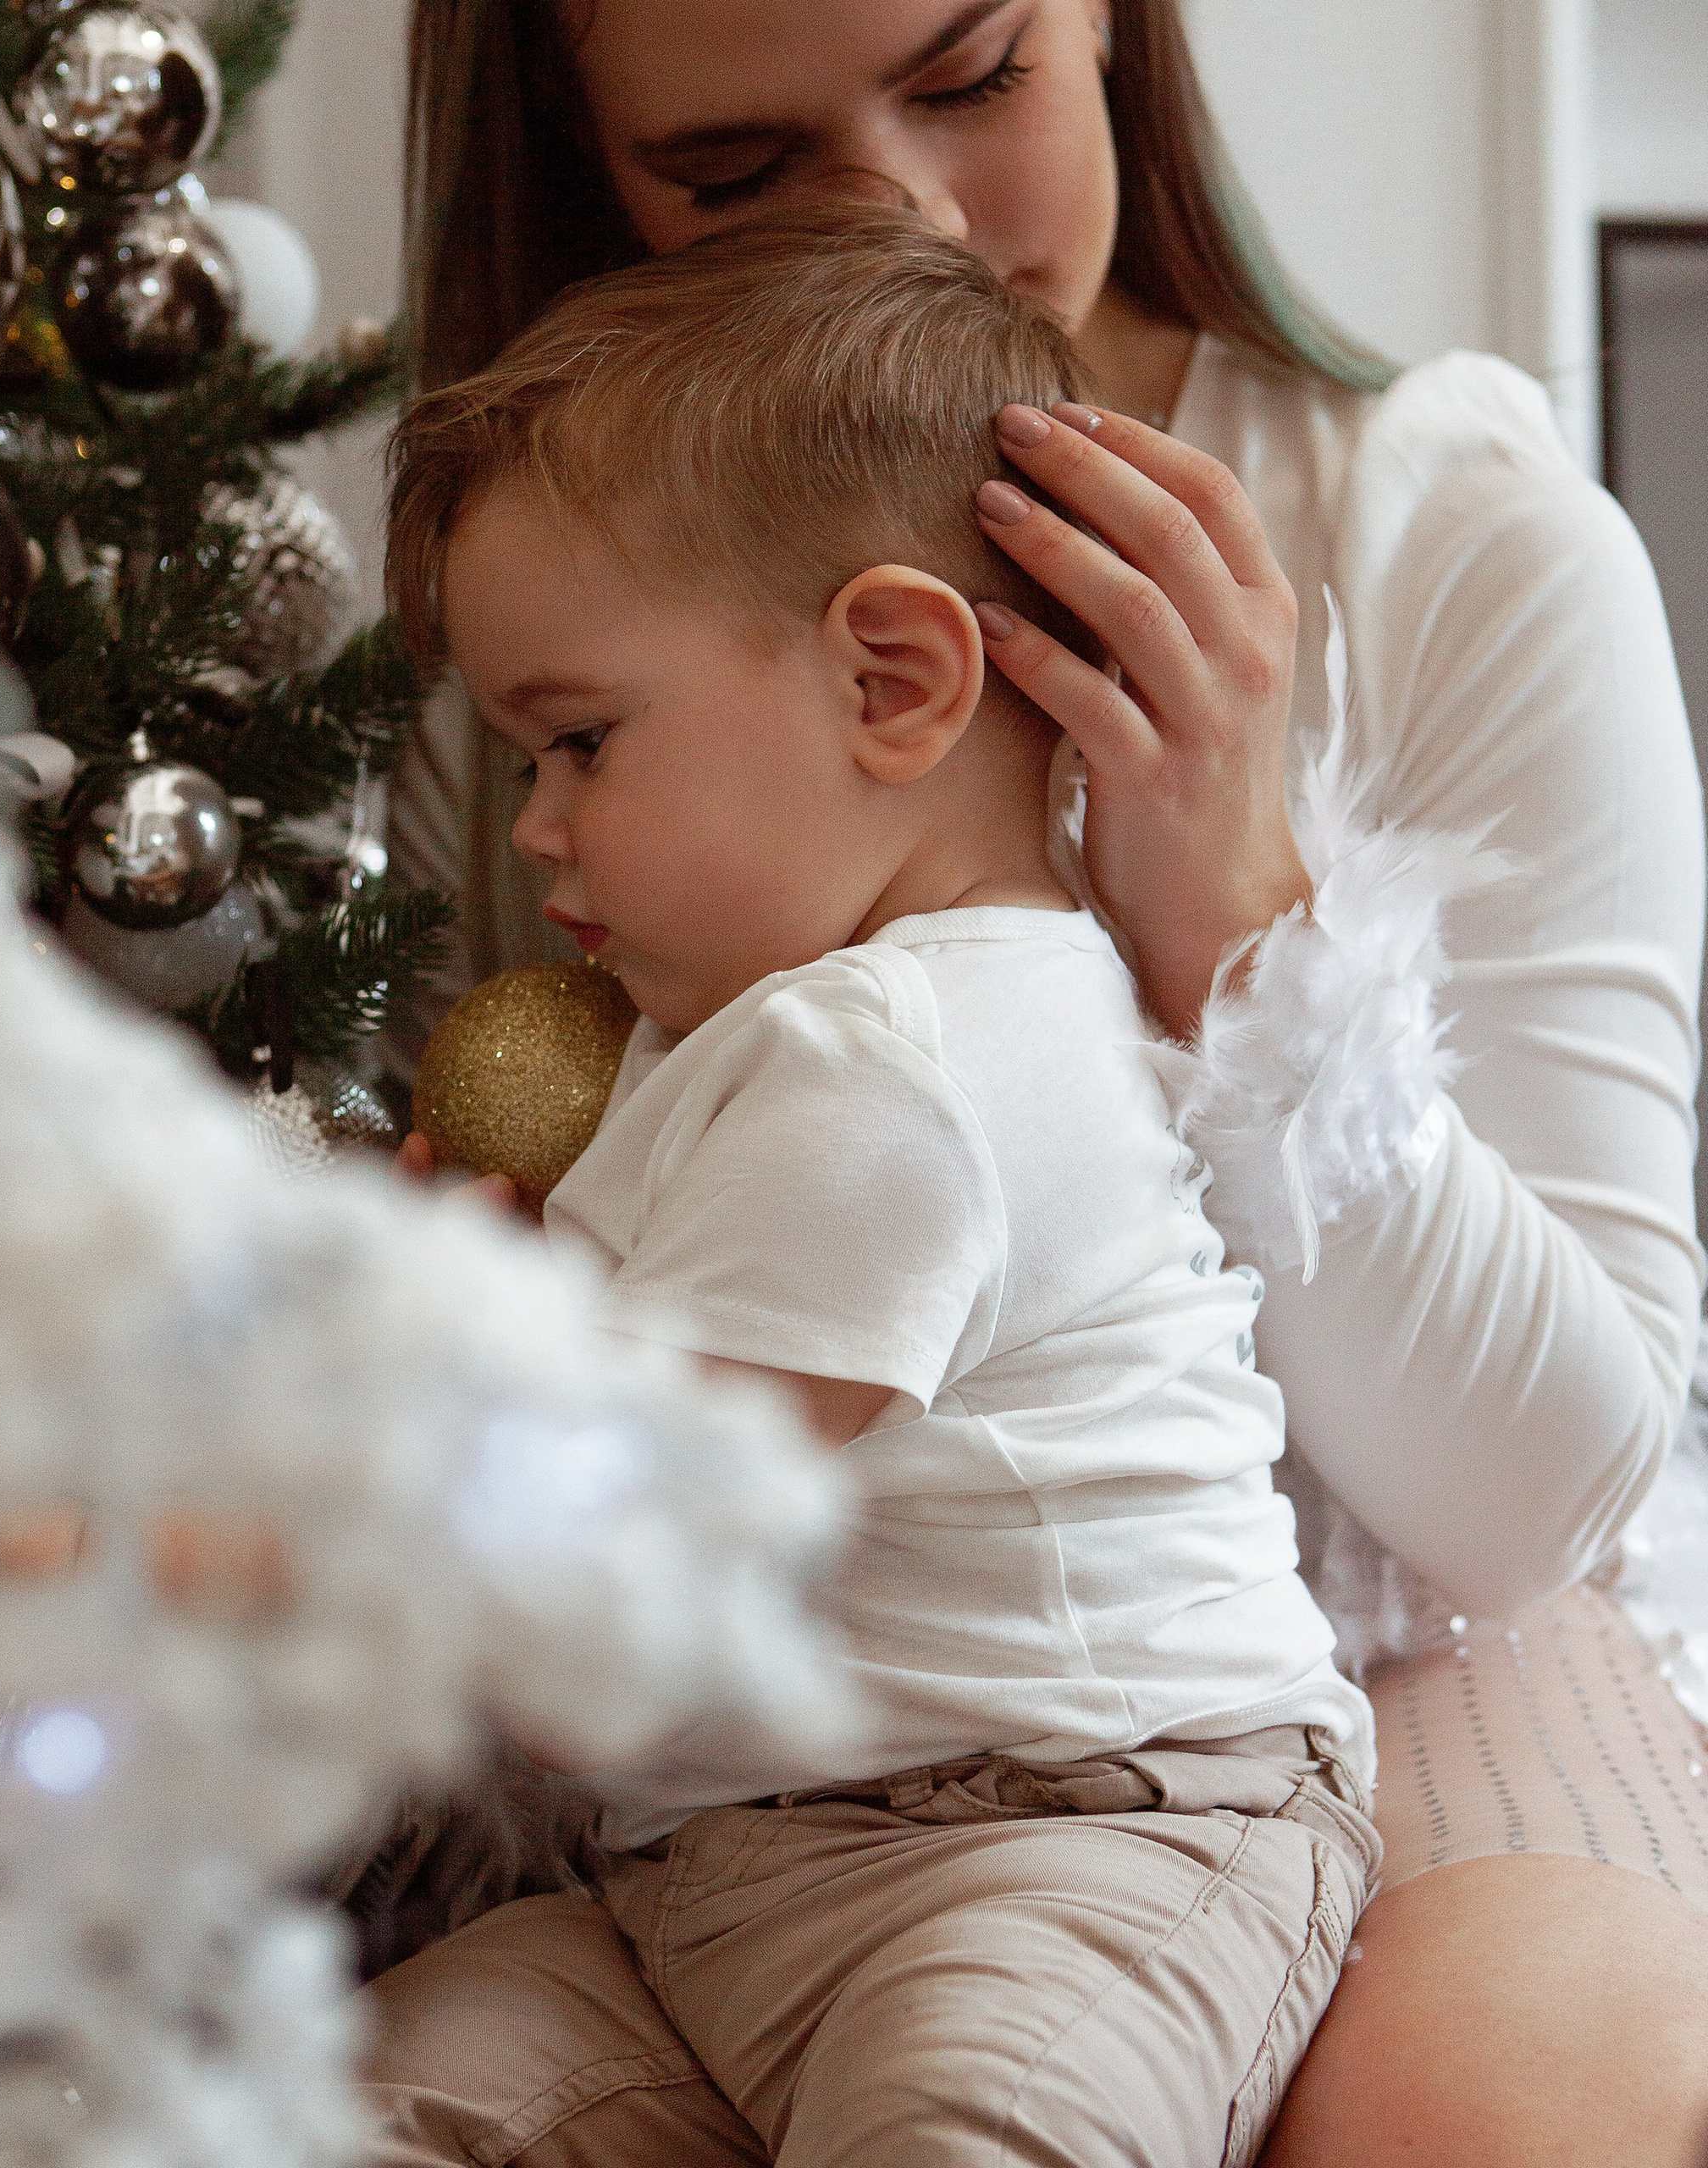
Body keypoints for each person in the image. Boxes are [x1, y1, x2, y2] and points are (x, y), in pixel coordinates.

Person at [377, 1, 1708, 2163]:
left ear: (1115, 42)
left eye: (972, 80)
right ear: (581, 171)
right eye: (733, 169)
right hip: (770, 1729)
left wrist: (1237, 929)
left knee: (1506, 2114)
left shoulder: (1437, 514)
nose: (900, 205)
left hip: (1384, 1631)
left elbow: (1536, 1507)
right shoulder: (550, 620)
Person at [371, 201, 1381, 2168]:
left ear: (895, 679)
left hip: (1073, 1832)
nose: (540, 829)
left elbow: (596, 1636)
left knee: (964, 2124)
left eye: (575, 739)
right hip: (713, 1878)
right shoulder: (715, 1050)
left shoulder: (895, 1057)